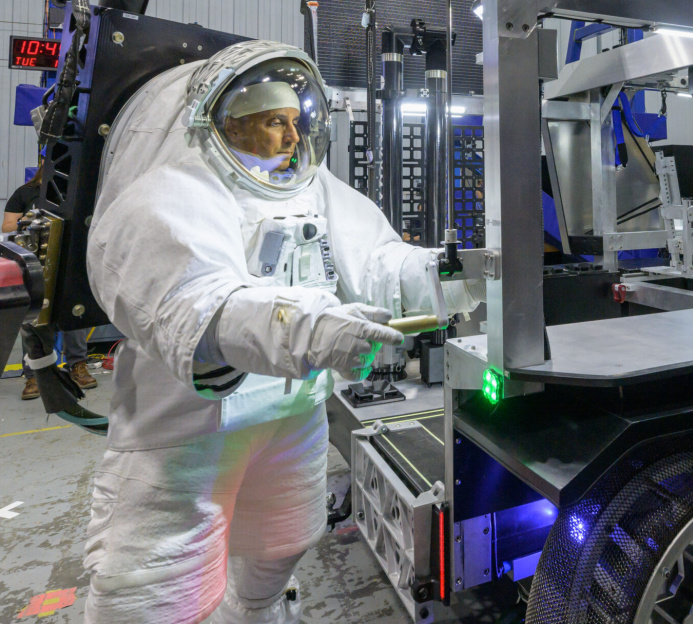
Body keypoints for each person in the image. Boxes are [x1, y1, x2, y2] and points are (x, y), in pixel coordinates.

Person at [83, 41, 482, 624]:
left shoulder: (315, 190)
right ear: (233, 125)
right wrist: (310, 328)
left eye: (297, 123)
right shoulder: (171, 194)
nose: (292, 138)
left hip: (292, 416)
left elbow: (378, 264)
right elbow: (199, 307)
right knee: (156, 589)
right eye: (276, 123)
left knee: (282, 543)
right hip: (188, 433)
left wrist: (456, 274)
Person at [3, 169, 97, 399]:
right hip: (37, 265)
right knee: (34, 320)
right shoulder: (25, 193)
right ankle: (35, 375)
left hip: (68, 264)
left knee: (74, 313)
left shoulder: (75, 195)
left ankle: (78, 366)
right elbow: (6, 226)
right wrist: (25, 221)